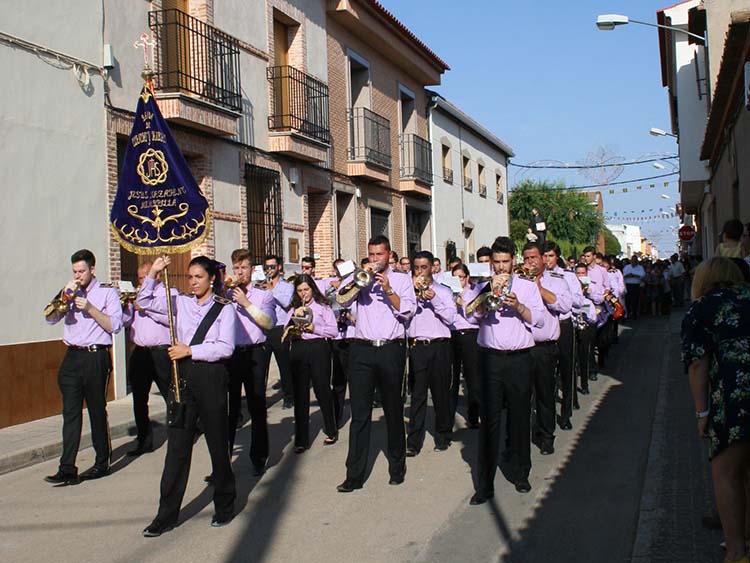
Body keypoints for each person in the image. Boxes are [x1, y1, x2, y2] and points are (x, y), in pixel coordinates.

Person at [139, 256, 236, 537]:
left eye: (198, 277)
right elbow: (145, 302)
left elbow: (225, 347)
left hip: (210, 377)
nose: (193, 282)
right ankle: (165, 515)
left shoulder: (224, 309)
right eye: (190, 277)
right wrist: (154, 273)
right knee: (177, 449)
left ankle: (225, 505)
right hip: (181, 378)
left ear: (211, 279)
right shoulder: (179, 303)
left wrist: (191, 351)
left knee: (218, 445)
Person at [681, 257, 750, 563]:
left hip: (734, 398)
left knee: (727, 474)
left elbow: (697, 364)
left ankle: (736, 551)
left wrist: (701, 413)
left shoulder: (702, 308)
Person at [336, 235, 416, 492]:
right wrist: (360, 280)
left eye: (379, 255)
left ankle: (397, 468)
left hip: (390, 349)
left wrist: (388, 288)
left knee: (393, 411)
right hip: (362, 350)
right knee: (360, 415)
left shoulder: (402, 279)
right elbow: (341, 300)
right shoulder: (361, 277)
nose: (375, 259)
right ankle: (354, 475)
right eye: (371, 255)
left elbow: (407, 311)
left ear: (389, 255)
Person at [468, 237, 545, 503]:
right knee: (490, 422)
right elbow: (469, 317)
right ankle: (484, 485)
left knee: (520, 417)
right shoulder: (482, 286)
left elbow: (539, 319)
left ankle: (521, 473)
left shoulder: (526, 286)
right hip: (490, 359)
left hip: (520, 359)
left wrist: (518, 306)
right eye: (496, 263)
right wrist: (488, 294)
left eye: (504, 262)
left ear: (514, 261)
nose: (500, 268)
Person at [43, 249, 123, 485]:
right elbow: (49, 318)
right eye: (75, 271)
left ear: (92, 269)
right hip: (72, 356)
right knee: (70, 413)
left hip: (95, 356)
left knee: (97, 410)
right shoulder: (69, 290)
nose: (78, 276)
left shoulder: (107, 293)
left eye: (81, 271)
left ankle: (101, 463)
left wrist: (89, 308)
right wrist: (64, 300)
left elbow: (115, 326)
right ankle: (67, 467)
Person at [226, 249, 275, 477]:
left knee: (256, 406)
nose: (239, 272)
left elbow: (268, 323)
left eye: (243, 268)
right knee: (228, 409)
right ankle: (223, 463)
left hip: (255, 353)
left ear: (252, 269)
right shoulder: (226, 295)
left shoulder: (263, 295)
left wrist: (245, 303)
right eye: (236, 268)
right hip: (231, 354)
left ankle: (258, 457)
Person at [522, 242, 571, 455]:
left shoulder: (558, 281)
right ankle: (519, 439)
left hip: (545, 348)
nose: (530, 262)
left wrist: (539, 289)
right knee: (521, 396)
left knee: (545, 395)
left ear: (543, 258)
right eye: (526, 258)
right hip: (523, 347)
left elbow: (565, 305)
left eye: (534, 257)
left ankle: (546, 436)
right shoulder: (518, 281)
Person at [122, 261, 175, 456]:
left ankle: (179, 434)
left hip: (162, 351)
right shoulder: (136, 296)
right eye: (141, 278)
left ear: (158, 275)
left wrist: (146, 308)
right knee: (139, 398)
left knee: (171, 395)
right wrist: (127, 308)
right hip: (141, 352)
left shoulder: (168, 293)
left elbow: (172, 318)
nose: (143, 281)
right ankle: (144, 440)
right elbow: (124, 322)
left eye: (146, 277)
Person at [406, 251, 456, 456]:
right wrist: (414, 297)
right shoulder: (408, 291)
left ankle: (443, 435)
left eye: (423, 267)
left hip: (439, 346)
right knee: (417, 396)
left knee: (440, 393)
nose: (420, 272)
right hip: (418, 346)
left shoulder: (443, 291)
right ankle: (414, 441)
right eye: (416, 268)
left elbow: (451, 318)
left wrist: (434, 299)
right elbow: (403, 316)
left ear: (432, 268)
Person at [287, 274, 338, 452]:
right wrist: (294, 317)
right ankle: (301, 439)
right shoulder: (293, 308)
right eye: (300, 291)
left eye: (306, 290)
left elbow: (333, 331)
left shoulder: (323, 307)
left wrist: (314, 328)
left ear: (312, 289)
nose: (303, 294)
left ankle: (331, 429)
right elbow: (285, 331)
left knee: (322, 389)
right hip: (299, 348)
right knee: (300, 394)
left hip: (318, 348)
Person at [542, 241, 584, 430]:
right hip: (546, 326)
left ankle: (566, 412)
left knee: (566, 370)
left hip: (564, 324)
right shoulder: (537, 277)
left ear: (557, 257)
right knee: (547, 374)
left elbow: (577, 300)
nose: (547, 260)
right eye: (544, 256)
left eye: (550, 256)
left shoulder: (567, 276)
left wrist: (559, 295)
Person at [325, 259, 357, 426]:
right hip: (337, 339)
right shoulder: (331, 287)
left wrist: (350, 317)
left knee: (355, 380)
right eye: (337, 269)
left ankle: (358, 416)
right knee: (337, 382)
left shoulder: (357, 286)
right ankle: (336, 420)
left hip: (353, 338)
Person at [449, 264, 481, 428]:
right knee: (452, 379)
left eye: (460, 277)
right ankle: (449, 417)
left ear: (467, 277)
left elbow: (476, 318)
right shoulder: (448, 293)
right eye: (454, 277)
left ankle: (474, 416)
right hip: (453, 335)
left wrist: (462, 304)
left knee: (472, 377)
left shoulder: (474, 292)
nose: (458, 281)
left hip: (470, 334)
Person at [264, 255, 295, 409]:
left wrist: (272, 291)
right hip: (264, 329)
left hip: (279, 328)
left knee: (284, 365)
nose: (269, 270)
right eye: (267, 267)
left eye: (272, 266)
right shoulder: (262, 285)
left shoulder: (287, 286)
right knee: (262, 367)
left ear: (279, 268)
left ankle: (289, 396)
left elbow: (288, 302)